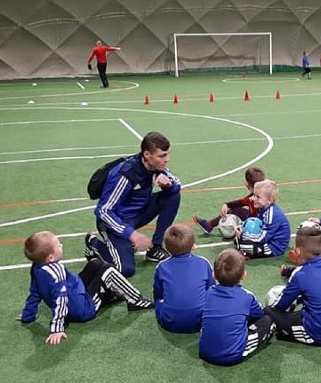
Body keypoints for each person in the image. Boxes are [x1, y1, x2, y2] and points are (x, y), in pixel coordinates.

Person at [18, 231, 153, 346]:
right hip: (83, 308)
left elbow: (34, 292)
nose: (61, 245)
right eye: (58, 245)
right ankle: (136, 300)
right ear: (51, 257)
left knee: (95, 264)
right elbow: (61, 298)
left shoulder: (36, 267)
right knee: (108, 271)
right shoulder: (56, 270)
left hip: (77, 292)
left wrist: (27, 315)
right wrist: (57, 328)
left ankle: (111, 293)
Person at [86, 131, 180, 277]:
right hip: (116, 222)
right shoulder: (125, 174)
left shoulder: (157, 167)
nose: (166, 160)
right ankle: (95, 245)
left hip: (138, 214)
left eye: (167, 155)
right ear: (147, 155)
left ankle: (155, 248)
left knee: (173, 195)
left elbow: (177, 183)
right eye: (162, 156)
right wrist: (132, 234)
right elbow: (103, 211)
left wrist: (169, 185)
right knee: (126, 269)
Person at [265, 227, 321, 346]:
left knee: (268, 313)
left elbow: (280, 306)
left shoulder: (300, 274)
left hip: (319, 333)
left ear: (298, 251)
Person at [198, 249, 275, 366]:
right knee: (267, 321)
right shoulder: (247, 296)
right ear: (244, 275)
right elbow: (259, 315)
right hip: (231, 355)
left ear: (214, 275)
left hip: (204, 351)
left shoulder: (208, 293)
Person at [153, 224, 216, 333]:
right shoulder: (203, 263)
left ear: (167, 249)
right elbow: (212, 289)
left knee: (159, 301)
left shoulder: (162, 266)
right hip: (201, 321)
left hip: (170, 322)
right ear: (193, 246)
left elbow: (158, 293)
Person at [192, 167, 266, 234]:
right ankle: (209, 225)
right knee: (234, 210)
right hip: (257, 221)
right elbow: (239, 203)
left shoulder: (253, 199)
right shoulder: (258, 195)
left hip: (257, 226)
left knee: (234, 213)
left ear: (247, 183)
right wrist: (226, 204)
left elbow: (241, 202)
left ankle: (210, 225)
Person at [234, 179, 290, 259]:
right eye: (254, 195)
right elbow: (256, 223)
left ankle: (248, 253)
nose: (253, 199)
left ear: (269, 201)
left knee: (244, 244)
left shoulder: (271, 214)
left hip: (274, 246)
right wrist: (241, 227)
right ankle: (247, 250)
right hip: (266, 238)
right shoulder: (263, 208)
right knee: (238, 240)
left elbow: (263, 238)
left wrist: (243, 235)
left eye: (258, 197)